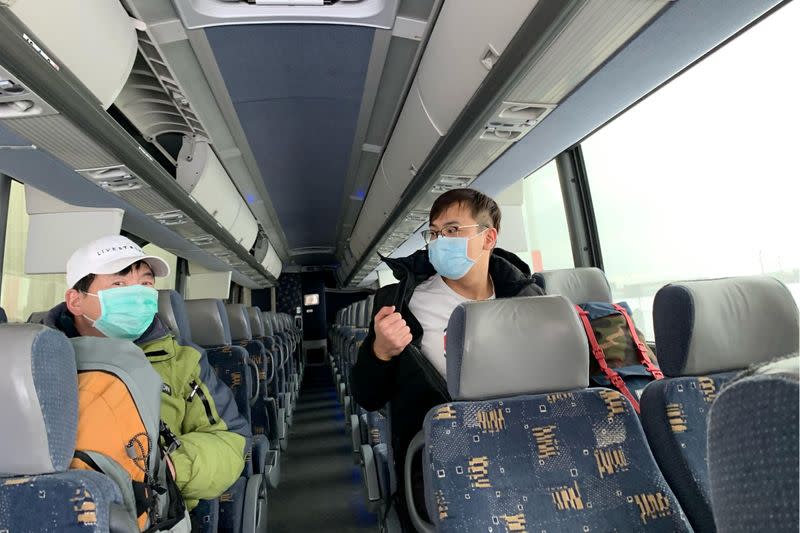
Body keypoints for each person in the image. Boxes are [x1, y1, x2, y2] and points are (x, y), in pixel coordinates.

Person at [351, 188, 543, 528]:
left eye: (453, 230)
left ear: (489, 237)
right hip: (441, 464)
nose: (440, 241)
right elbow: (368, 397)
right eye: (435, 232)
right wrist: (380, 351)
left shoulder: (528, 300)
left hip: (525, 455)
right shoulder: (402, 304)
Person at [45, 234, 250, 510]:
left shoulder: (183, 361)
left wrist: (172, 468)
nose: (138, 294)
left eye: (145, 284)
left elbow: (231, 440)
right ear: (76, 301)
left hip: (153, 514)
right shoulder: (36, 361)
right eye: (119, 284)